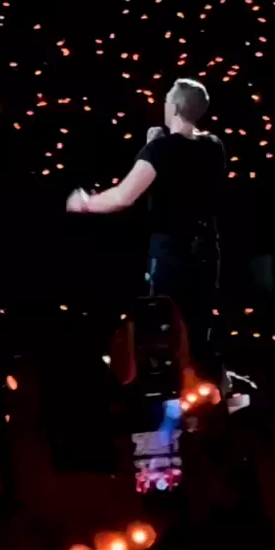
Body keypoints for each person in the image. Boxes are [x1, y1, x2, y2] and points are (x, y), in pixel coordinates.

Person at [67, 78, 227, 361]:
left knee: (163, 328)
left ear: (174, 107)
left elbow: (123, 196)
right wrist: (157, 144)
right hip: (206, 251)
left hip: (171, 252)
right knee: (197, 327)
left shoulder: (160, 150)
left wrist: (85, 203)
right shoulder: (214, 146)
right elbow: (184, 168)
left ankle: (166, 382)